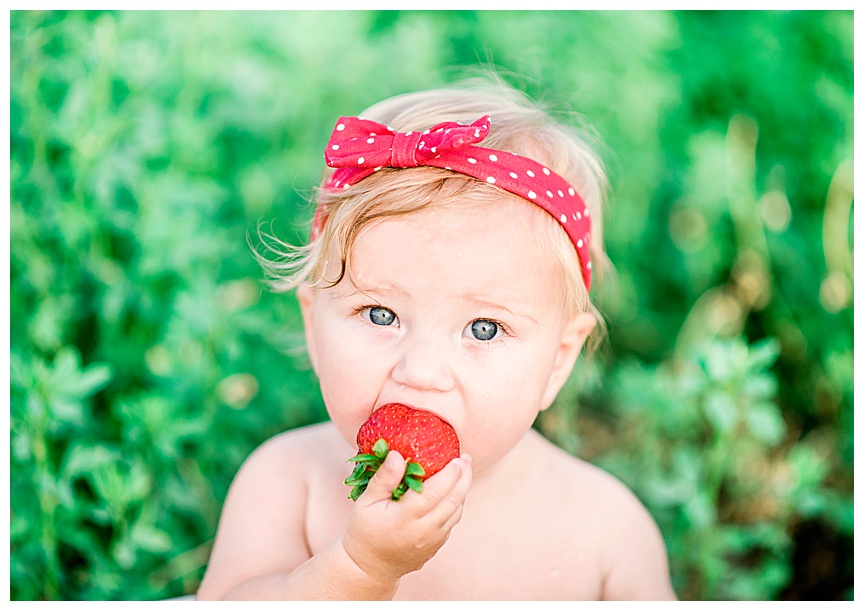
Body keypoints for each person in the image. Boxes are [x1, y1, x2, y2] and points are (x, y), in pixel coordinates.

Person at [196, 80, 674, 600]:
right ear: (314, 328)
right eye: (380, 314)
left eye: (483, 329)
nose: (420, 371)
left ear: (558, 362)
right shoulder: (288, 483)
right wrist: (359, 569)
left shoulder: (607, 531)